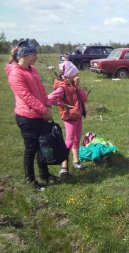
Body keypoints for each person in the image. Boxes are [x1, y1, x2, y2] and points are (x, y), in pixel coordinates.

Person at [5, 39, 58, 191]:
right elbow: (26, 96)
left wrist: (48, 106)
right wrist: (44, 111)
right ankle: (30, 180)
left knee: (43, 146)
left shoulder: (32, 70)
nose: (36, 56)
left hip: (41, 115)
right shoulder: (16, 73)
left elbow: (41, 90)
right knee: (31, 148)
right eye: (34, 54)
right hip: (27, 118)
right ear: (25, 55)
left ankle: (45, 175)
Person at [48, 60, 88, 177]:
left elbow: (84, 98)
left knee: (76, 139)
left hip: (78, 116)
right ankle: (64, 166)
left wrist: (78, 86)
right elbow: (49, 99)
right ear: (69, 74)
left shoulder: (73, 85)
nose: (77, 75)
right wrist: (63, 105)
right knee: (69, 141)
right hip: (69, 117)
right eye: (75, 73)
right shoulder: (62, 88)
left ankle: (76, 161)